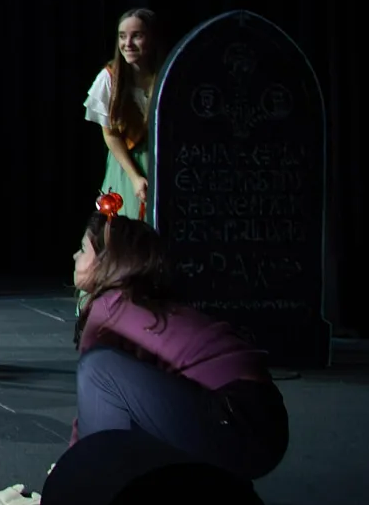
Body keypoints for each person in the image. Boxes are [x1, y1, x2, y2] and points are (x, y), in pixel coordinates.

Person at [68, 192, 288, 478]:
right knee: (126, 397)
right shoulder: (143, 300)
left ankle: (98, 493)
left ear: (106, 261)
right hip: (263, 420)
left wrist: (68, 479)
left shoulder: (108, 308)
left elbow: (91, 404)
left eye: (83, 249)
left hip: (235, 418)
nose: (75, 256)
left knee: (97, 369)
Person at [84, 8, 166, 225]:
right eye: (122, 36)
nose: (127, 43)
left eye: (136, 36)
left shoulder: (166, 75)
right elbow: (111, 135)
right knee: (126, 229)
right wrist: (135, 177)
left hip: (161, 162)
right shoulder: (109, 78)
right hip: (127, 165)